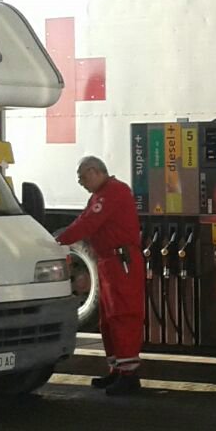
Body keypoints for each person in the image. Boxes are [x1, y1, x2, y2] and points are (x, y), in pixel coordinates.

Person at [56, 156, 147, 395]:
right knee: (108, 319)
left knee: (123, 315)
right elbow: (84, 221)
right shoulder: (101, 195)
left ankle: (128, 374)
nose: (81, 183)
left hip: (121, 261)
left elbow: (87, 224)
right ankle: (117, 369)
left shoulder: (113, 193)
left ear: (95, 171)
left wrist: (56, 240)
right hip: (109, 261)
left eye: (82, 177)